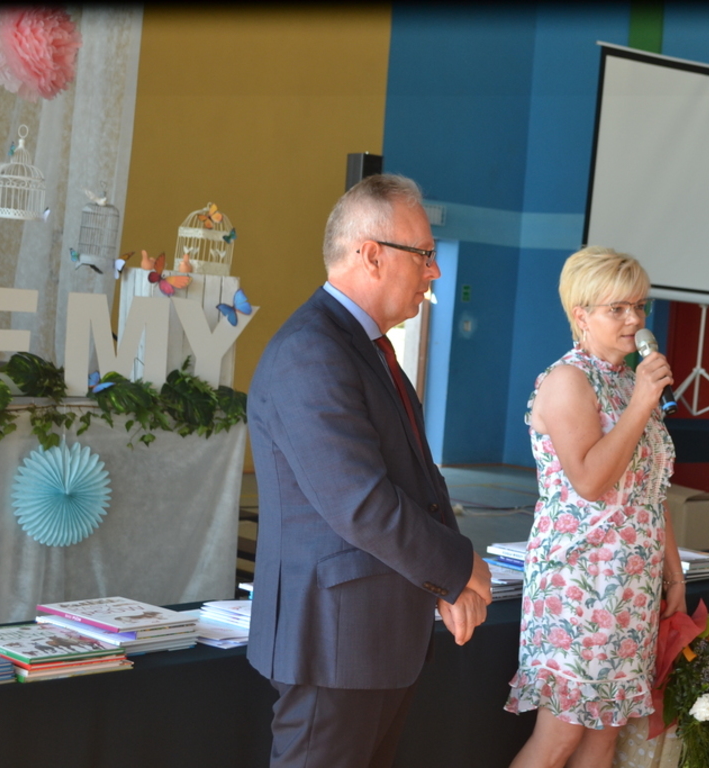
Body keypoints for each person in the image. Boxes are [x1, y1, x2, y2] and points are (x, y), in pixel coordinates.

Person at [247, 173, 493, 768]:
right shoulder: (312, 350)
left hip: (371, 636)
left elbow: (420, 478)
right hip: (332, 643)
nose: (435, 271)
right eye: (424, 254)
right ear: (372, 255)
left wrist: (449, 580)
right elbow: (360, 503)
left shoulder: (366, 347)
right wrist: (459, 567)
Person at [504, 246, 685, 768]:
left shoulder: (630, 380)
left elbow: (652, 488)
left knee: (604, 736)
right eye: (617, 309)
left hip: (632, 581)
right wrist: (641, 404)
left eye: (640, 306)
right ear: (581, 315)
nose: (634, 320)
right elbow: (589, 480)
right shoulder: (568, 380)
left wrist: (672, 572)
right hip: (579, 580)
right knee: (559, 738)